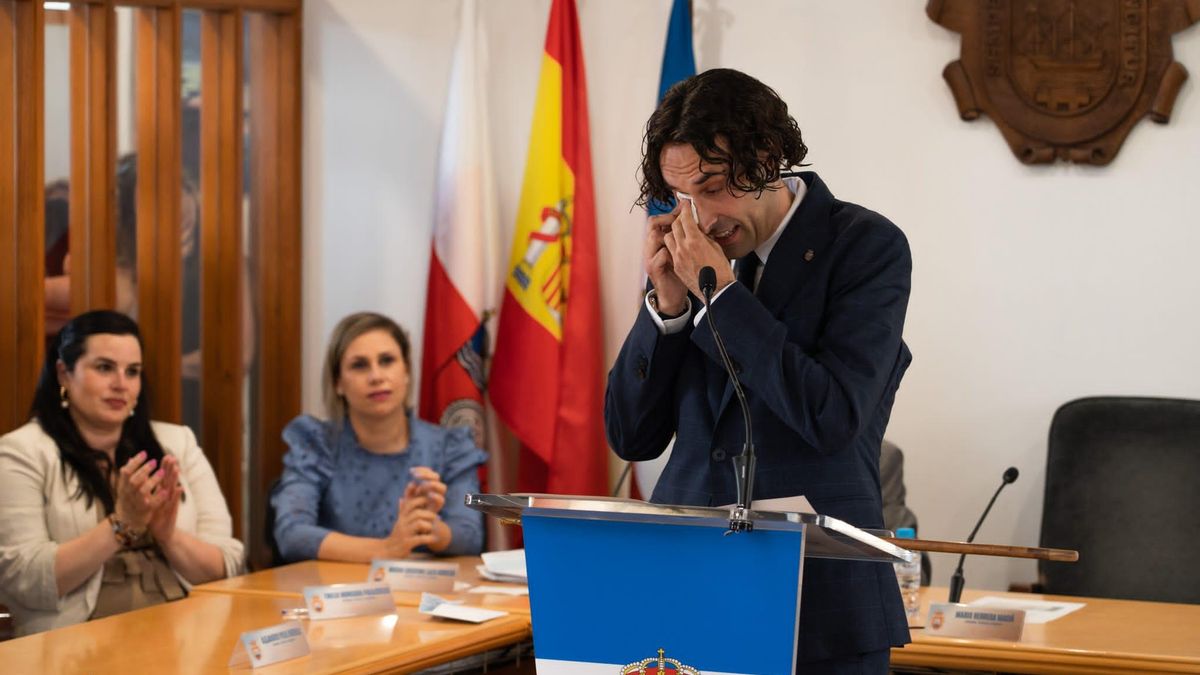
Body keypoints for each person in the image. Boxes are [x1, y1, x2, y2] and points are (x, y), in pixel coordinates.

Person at [605, 68, 912, 671]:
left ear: (766, 159)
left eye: (712, 188)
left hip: (819, 604)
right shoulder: (692, 259)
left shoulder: (866, 246)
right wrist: (667, 306)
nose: (700, 218)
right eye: (682, 197)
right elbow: (632, 437)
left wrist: (719, 296)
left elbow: (830, 416)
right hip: (687, 590)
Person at [0, 310, 244, 636]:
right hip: (77, 639)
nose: (120, 384)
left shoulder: (177, 443)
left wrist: (168, 535)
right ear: (63, 373)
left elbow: (228, 564)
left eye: (133, 372)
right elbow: (24, 580)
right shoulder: (20, 452)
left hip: (188, 626)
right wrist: (121, 525)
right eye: (104, 368)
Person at [271, 312, 486, 563]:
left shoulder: (450, 446)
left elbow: (471, 535)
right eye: (359, 365)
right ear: (338, 383)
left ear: (406, 371)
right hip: (334, 594)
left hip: (422, 596)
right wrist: (386, 550)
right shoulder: (316, 442)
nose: (376, 376)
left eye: (387, 361)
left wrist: (430, 529)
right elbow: (292, 534)